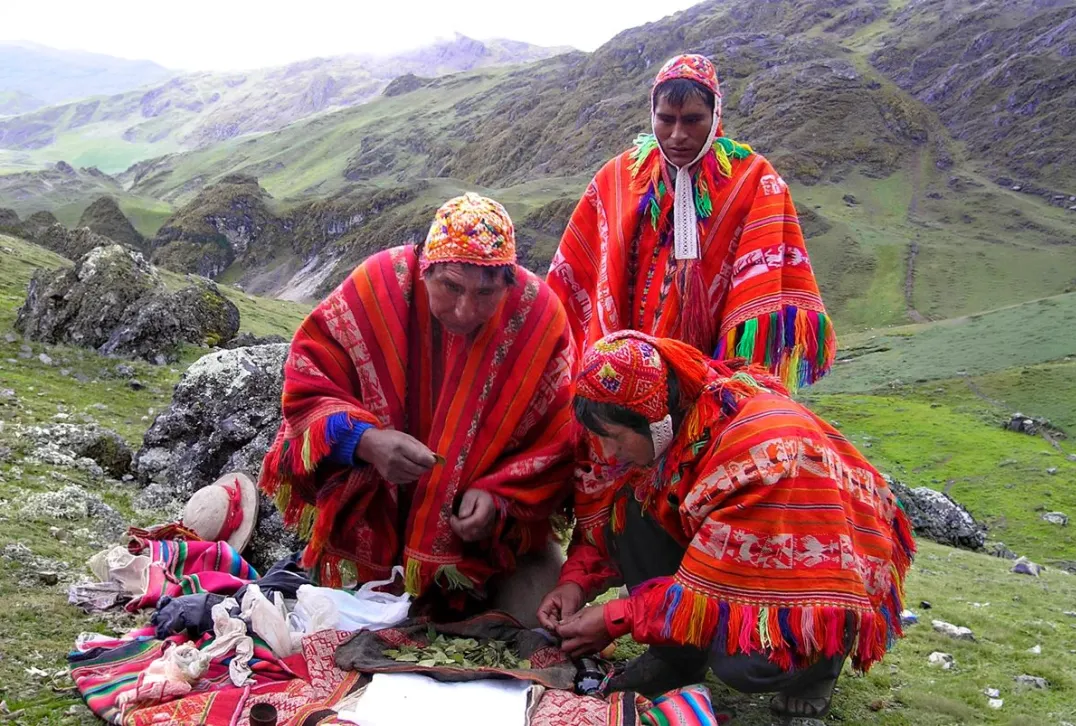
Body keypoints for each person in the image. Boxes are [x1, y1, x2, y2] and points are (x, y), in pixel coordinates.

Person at [536, 331, 914, 720]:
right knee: (630, 505)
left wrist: (619, 616)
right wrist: (575, 583)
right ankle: (677, 656)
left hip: (815, 572)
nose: (607, 451)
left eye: (613, 437)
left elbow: (729, 588)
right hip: (740, 557)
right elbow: (609, 529)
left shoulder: (752, 455)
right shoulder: (675, 433)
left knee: (747, 663)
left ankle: (820, 655)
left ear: (656, 422)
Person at [259, 193, 575, 627]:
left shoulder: (539, 318)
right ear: (425, 266)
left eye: (485, 293)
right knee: (332, 625)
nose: (465, 309)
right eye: (450, 286)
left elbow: (558, 435)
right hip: (374, 526)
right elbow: (307, 380)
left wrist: (500, 497)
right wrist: (364, 442)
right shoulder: (379, 286)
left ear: (510, 283)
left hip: (487, 547)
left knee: (535, 627)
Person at [547, 54, 835, 391]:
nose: (677, 135)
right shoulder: (617, 178)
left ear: (715, 116)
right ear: (651, 115)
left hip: (718, 377)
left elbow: (771, 275)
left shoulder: (753, 180)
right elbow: (577, 267)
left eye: (693, 120)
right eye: (666, 119)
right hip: (622, 371)